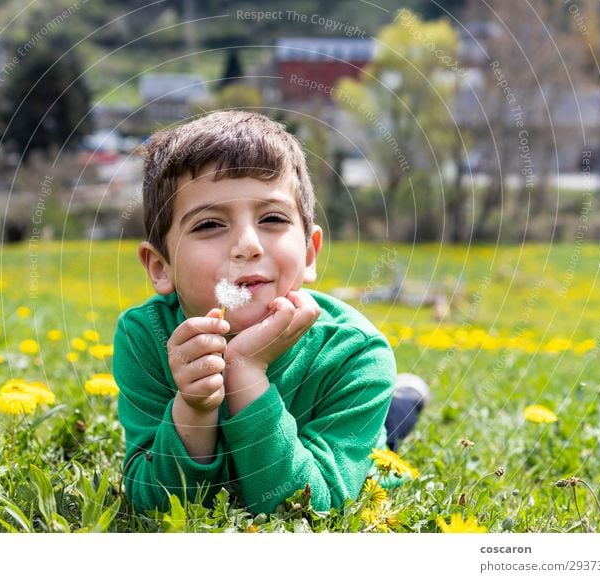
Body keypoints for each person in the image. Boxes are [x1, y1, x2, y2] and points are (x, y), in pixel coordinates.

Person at [113, 110, 428, 515]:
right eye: (209, 224)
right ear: (161, 267)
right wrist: (192, 408)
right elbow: (153, 503)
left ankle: (401, 402)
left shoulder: (357, 355)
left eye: (273, 219)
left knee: (387, 432)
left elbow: (309, 508)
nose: (247, 245)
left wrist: (244, 369)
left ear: (310, 253)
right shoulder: (146, 337)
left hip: (356, 434)